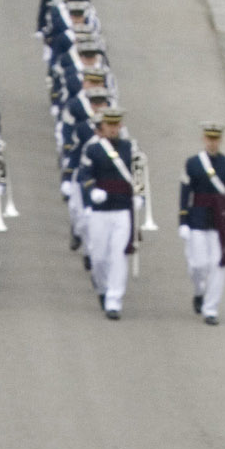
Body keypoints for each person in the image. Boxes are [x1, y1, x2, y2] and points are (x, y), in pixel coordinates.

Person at [179, 123, 225, 324]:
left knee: (218, 264)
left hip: (220, 220)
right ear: (203, 139)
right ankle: (199, 291)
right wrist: (183, 221)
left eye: (216, 139)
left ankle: (211, 309)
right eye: (209, 138)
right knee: (198, 265)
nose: (212, 142)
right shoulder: (192, 163)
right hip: (197, 218)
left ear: (220, 140)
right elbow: (185, 193)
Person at [80, 107, 140, 319]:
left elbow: (138, 174)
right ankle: (102, 288)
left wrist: (139, 195)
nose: (113, 129)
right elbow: (85, 174)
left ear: (120, 126)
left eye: (116, 125)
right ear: (103, 126)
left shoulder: (130, 148)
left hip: (122, 209)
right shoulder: (93, 150)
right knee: (98, 257)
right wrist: (92, 190)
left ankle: (114, 300)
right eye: (109, 125)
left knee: (118, 256)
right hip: (100, 210)